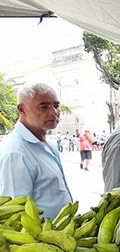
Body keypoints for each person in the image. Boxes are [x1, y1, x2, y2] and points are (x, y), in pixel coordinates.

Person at [0, 83, 72, 219]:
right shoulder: (15, 153)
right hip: (40, 238)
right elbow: (16, 215)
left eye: (56, 106)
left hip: (60, 235)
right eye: (44, 107)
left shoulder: (48, 144)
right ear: (22, 109)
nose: (54, 112)